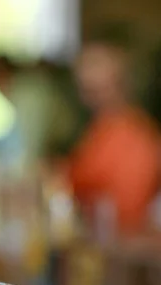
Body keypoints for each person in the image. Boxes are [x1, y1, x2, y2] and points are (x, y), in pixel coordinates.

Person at [68, 24, 161, 235]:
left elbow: (126, 215)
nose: (86, 74)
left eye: (96, 63)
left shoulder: (135, 136)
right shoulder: (98, 130)